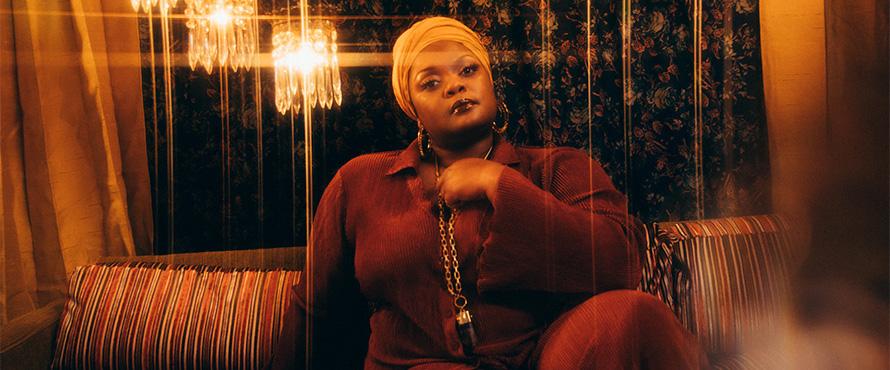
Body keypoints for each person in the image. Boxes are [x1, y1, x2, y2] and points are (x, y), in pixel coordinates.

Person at [271, 16, 705, 370]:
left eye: (467, 70)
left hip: (543, 357)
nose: (455, 86)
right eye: (430, 82)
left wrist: (499, 184)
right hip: (416, 366)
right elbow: (316, 313)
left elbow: (620, 262)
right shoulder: (360, 181)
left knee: (630, 312)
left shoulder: (559, 166)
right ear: (412, 107)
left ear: (490, 81)